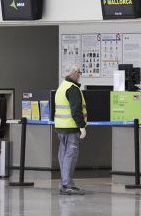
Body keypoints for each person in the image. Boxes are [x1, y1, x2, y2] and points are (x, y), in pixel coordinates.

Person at [55, 64, 88, 195]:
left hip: (61, 127)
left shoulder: (62, 86)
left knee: (63, 155)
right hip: (71, 127)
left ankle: (65, 183)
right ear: (73, 73)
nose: (79, 75)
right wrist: (81, 126)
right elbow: (76, 110)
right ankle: (67, 184)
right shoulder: (73, 89)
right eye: (79, 73)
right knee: (71, 155)